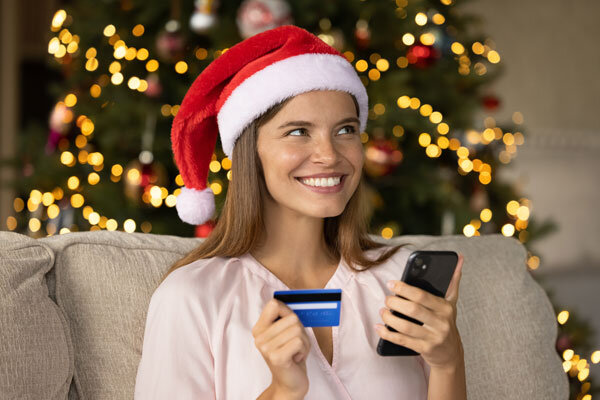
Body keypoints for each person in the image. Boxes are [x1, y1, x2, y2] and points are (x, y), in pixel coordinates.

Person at [134, 25, 466, 399]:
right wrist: (281, 392)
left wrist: (448, 362)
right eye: (298, 132)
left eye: (345, 129)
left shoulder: (398, 282)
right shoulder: (192, 296)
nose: (330, 154)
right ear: (250, 152)